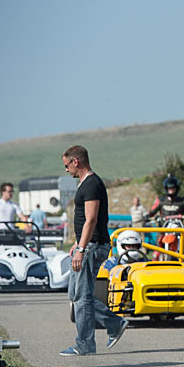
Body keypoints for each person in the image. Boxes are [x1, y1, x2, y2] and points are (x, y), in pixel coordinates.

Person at [60, 145, 128, 356]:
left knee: (82, 297)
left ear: (76, 161)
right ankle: (114, 323)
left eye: (66, 165)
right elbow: (85, 221)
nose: (66, 170)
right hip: (86, 244)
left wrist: (81, 248)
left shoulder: (91, 184)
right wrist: (77, 243)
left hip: (92, 247)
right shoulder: (86, 183)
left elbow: (91, 219)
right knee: (76, 294)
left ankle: (85, 344)